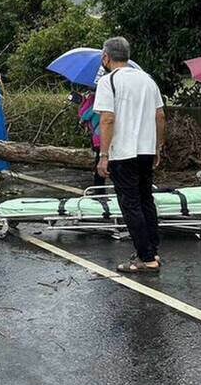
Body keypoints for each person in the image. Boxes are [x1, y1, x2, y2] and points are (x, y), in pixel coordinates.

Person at [94, 37, 166, 273]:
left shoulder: (108, 81)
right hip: (146, 150)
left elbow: (107, 119)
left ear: (106, 57)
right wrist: (157, 147)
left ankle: (146, 258)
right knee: (146, 200)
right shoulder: (147, 79)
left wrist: (103, 155)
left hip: (123, 153)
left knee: (131, 205)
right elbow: (160, 116)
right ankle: (152, 250)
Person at [71, 90, 105, 187]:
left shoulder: (93, 100)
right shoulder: (98, 98)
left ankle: (99, 189)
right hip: (101, 135)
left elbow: (85, 115)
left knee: (100, 162)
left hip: (100, 136)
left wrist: (83, 102)